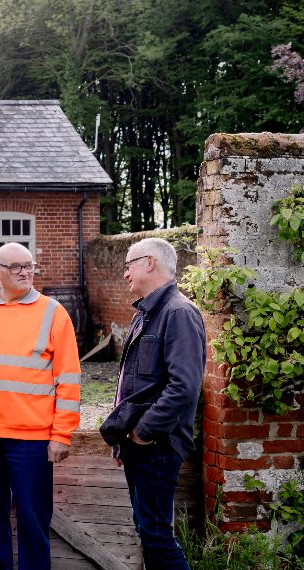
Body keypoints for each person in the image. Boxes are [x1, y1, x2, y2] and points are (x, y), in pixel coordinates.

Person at [0, 242, 81, 570]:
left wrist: (61, 434)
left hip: (32, 438)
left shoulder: (53, 313)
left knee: (33, 518)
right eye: (16, 267)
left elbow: (68, 378)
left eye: (29, 265)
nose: (25, 272)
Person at [106, 237, 205, 570]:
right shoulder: (146, 313)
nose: (125, 274)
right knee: (148, 532)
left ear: (150, 262)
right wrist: (123, 436)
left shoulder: (179, 312)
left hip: (157, 445)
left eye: (129, 264)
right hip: (139, 445)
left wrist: (144, 432)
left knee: (157, 534)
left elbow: (185, 386)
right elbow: (132, 384)